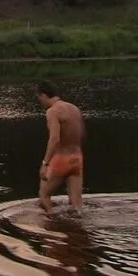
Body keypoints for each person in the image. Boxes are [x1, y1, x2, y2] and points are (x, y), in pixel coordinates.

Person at [36, 81, 84, 213]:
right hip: (77, 158)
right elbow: (81, 133)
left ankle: (51, 226)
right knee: (77, 204)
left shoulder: (53, 111)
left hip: (61, 159)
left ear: (44, 95)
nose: (41, 102)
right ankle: (76, 227)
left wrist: (45, 163)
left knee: (44, 195)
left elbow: (54, 139)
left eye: (40, 98)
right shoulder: (75, 109)